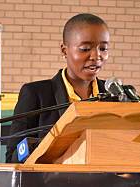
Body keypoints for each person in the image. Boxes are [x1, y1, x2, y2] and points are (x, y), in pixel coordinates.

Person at [6, 13, 110, 162]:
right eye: (85, 48)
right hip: (51, 183)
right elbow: (12, 158)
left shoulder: (116, 95)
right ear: (64, 50)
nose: (96, 56)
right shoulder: (36, 94)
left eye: (103, 48)